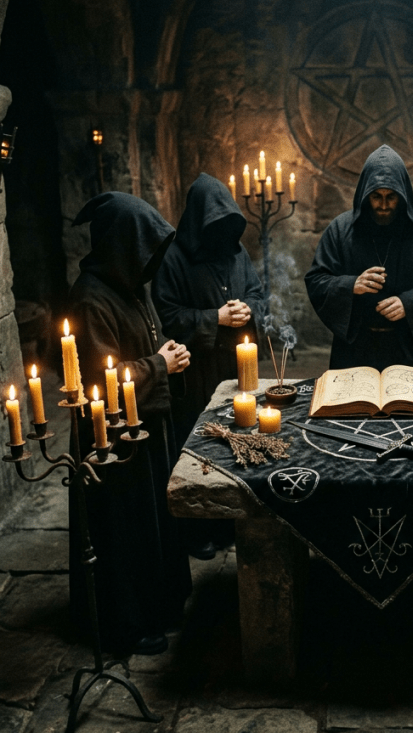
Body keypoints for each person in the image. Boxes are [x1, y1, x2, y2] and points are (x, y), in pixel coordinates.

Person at [67, 191, 192, 655]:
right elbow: (100, 381)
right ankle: (126, 622)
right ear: (121, 245)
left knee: (151, 521)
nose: (150, 262)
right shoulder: (90, 299)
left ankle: (159, 603)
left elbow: (144, 343)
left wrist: (167, 355)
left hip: (146, 425)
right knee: (122, 529)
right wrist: (160, 365)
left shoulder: (130, 287)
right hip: (112, 439)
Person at [152, 172, 266, 559]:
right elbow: (167, 315)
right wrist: (214, 318)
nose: (220, 233)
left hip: (234, 367)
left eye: (226, 224)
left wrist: (248, 309)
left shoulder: (236, 251)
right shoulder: (173, 257)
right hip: (197, 372)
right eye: (213, 225)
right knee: (200, 448)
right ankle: (197, 531)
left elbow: (256, 292)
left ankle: (229, 523)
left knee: (235, 440)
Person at [305, 144, 413, 371]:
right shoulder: (340, 230)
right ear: (365, 194)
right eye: (376, 196)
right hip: (354, 351)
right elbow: (316, 280)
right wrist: (351, 285)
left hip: (408, 351)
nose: (384, 205)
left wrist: (410, 304)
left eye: (391, 197)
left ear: (402, 195)